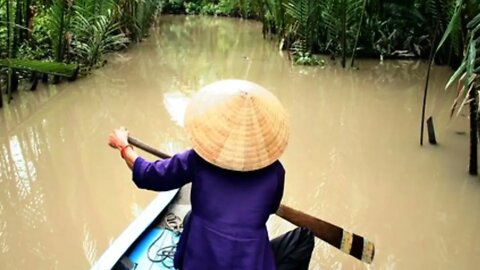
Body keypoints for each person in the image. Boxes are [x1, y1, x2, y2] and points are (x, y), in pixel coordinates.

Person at [108, 79, 313, 270]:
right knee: (304, 237)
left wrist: (124, 146)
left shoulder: (198, 159)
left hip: (198, 260)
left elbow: (149, 175)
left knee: (192, 217)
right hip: (249, 261)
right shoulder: (276, 172)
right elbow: (269, 210)